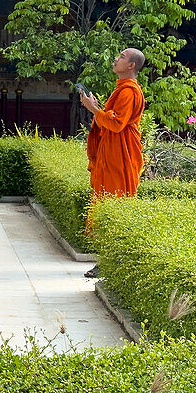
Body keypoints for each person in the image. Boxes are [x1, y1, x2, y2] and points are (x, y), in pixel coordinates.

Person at [78, 48, 146, 277]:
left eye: (122, 56)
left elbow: (117, 124)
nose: (117, 58)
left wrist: (93, 109)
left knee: (113, 200)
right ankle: (105, 260)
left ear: (131, 66)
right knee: (105, 199)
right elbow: (112, 118)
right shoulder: (122, 89)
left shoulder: (129, 92)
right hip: (114, 151)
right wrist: (99, 109)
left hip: (121, 154)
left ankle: (109, 263)